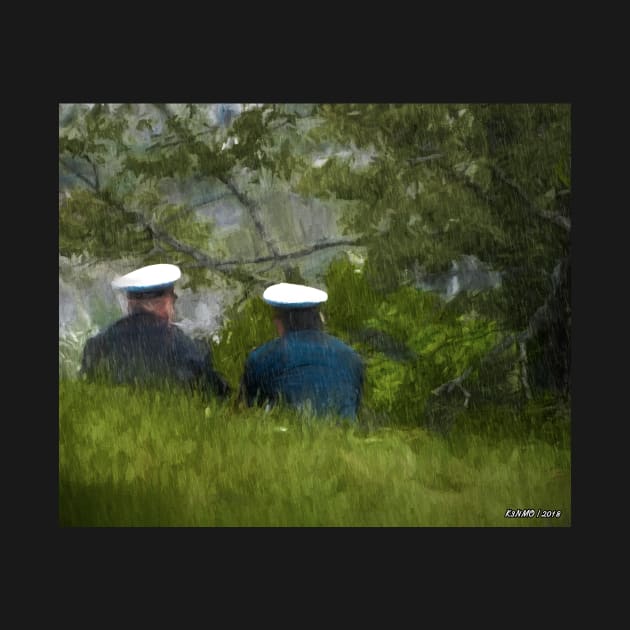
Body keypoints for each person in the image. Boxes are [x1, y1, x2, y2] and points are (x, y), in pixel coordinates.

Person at [80, 263, 230, 400]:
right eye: (173, 298)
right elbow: (217, 394)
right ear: (165, 301)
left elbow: (86, 393)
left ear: (130, 302)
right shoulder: (183, 345)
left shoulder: (98, 344)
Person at [240, 282, 365, 420]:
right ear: (319, 319)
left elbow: (250, 409)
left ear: (280, 322)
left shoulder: (262, 357)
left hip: (291, 435)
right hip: (344, 435)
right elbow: (355, 403)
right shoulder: (351, 356)